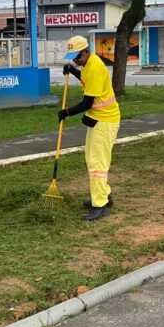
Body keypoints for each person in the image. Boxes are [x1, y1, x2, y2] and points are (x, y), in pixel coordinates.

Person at [58, 35, 121, 221]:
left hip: (105, 121)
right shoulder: (88, 64)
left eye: (77, 57)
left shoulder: (94, 67)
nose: (75, 60)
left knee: (97, 164)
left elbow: (87, 103)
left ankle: (100, 204)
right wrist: (73, 70)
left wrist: (66, 112)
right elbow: (86, 80)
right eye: (72, 59)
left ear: (86, 51)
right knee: (92, 159)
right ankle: (103, 195)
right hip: (98, 119)